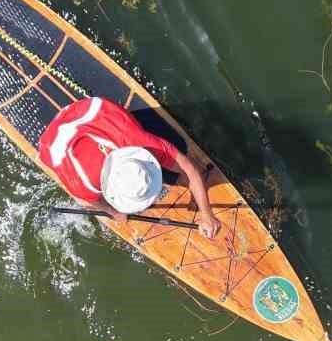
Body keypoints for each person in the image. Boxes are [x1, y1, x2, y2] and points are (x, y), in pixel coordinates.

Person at [38, 96, 222, 239]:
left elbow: (190, 169)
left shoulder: (139, 140)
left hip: (93, 110)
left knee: (173, 151)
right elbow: (94, 202)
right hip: (51, 145)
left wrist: (207, 213)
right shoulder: (84, 185)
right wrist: (114, 212)